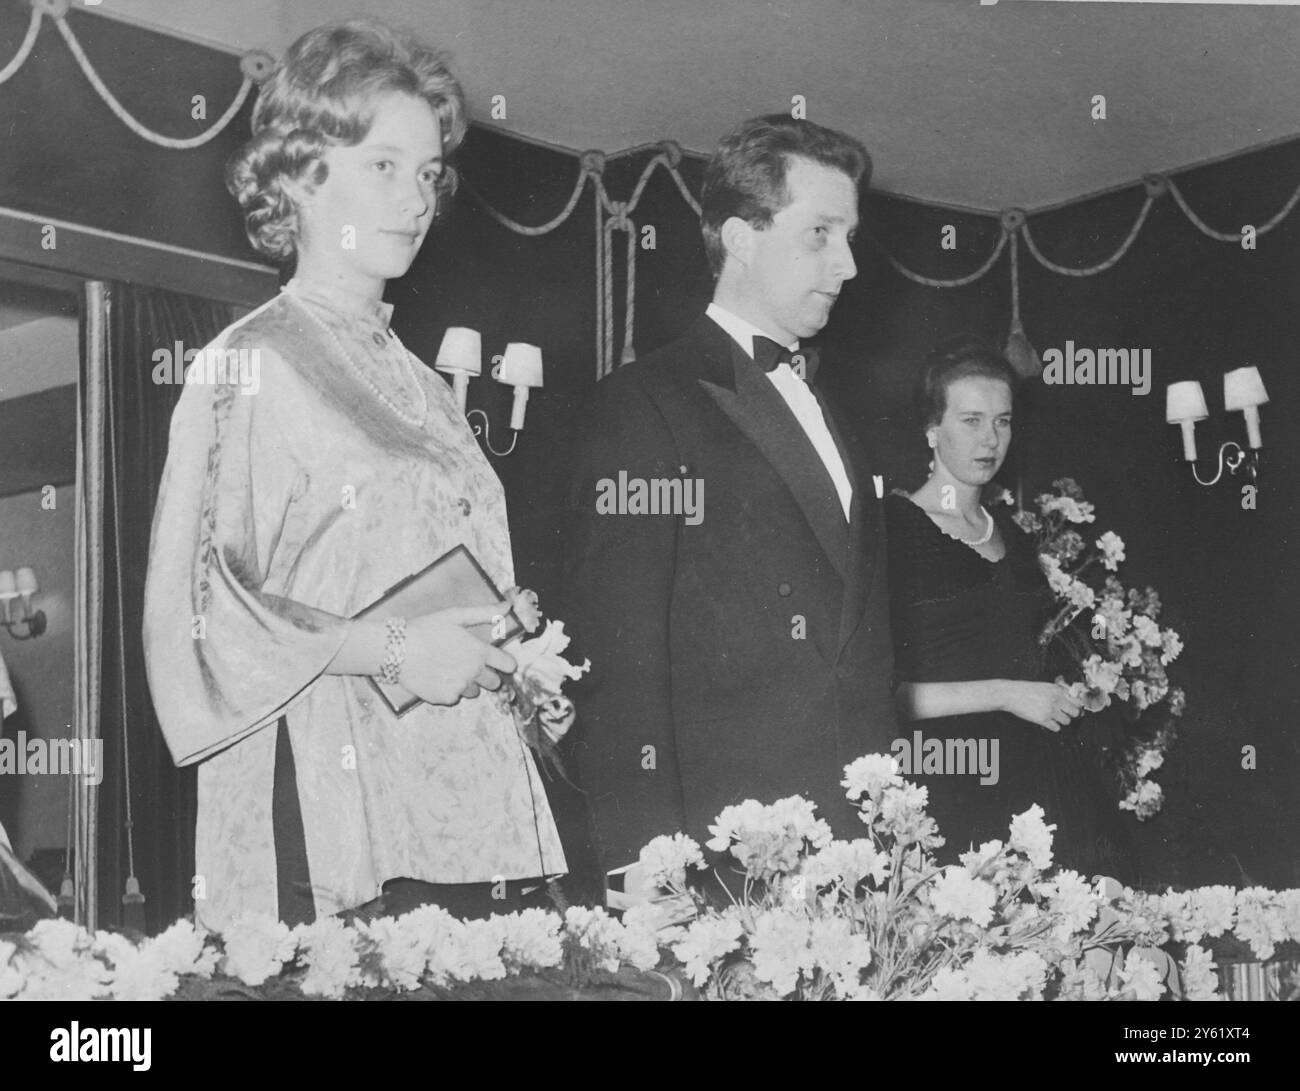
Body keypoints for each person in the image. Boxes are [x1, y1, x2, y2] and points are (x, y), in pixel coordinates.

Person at [143, 19, 566, 933]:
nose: (417, 198)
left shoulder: (423, 382)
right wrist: (403, 651)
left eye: (427, 174)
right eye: (384, 165)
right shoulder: (246, 364)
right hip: (323, 797)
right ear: (298, 174)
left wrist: (510, 658)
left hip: (452, 802)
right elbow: (203, 609)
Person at [561, 115, 898, 902]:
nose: (847, 264)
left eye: (849, 237)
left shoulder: (833, 412)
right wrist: (641, 855)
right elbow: (620, 649)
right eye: (820, 233)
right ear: (741, 238)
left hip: (855, 852)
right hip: (721, 859)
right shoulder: (644, 405)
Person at [884, 335, 1134, 876]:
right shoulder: (896, 531)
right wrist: (1006, 694)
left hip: (1039, 779)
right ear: (932, 429)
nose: (990, 439)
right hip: (951, 780)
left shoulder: (1016, 540)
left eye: (1003, 421)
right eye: (971, 420)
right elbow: (886, 696)